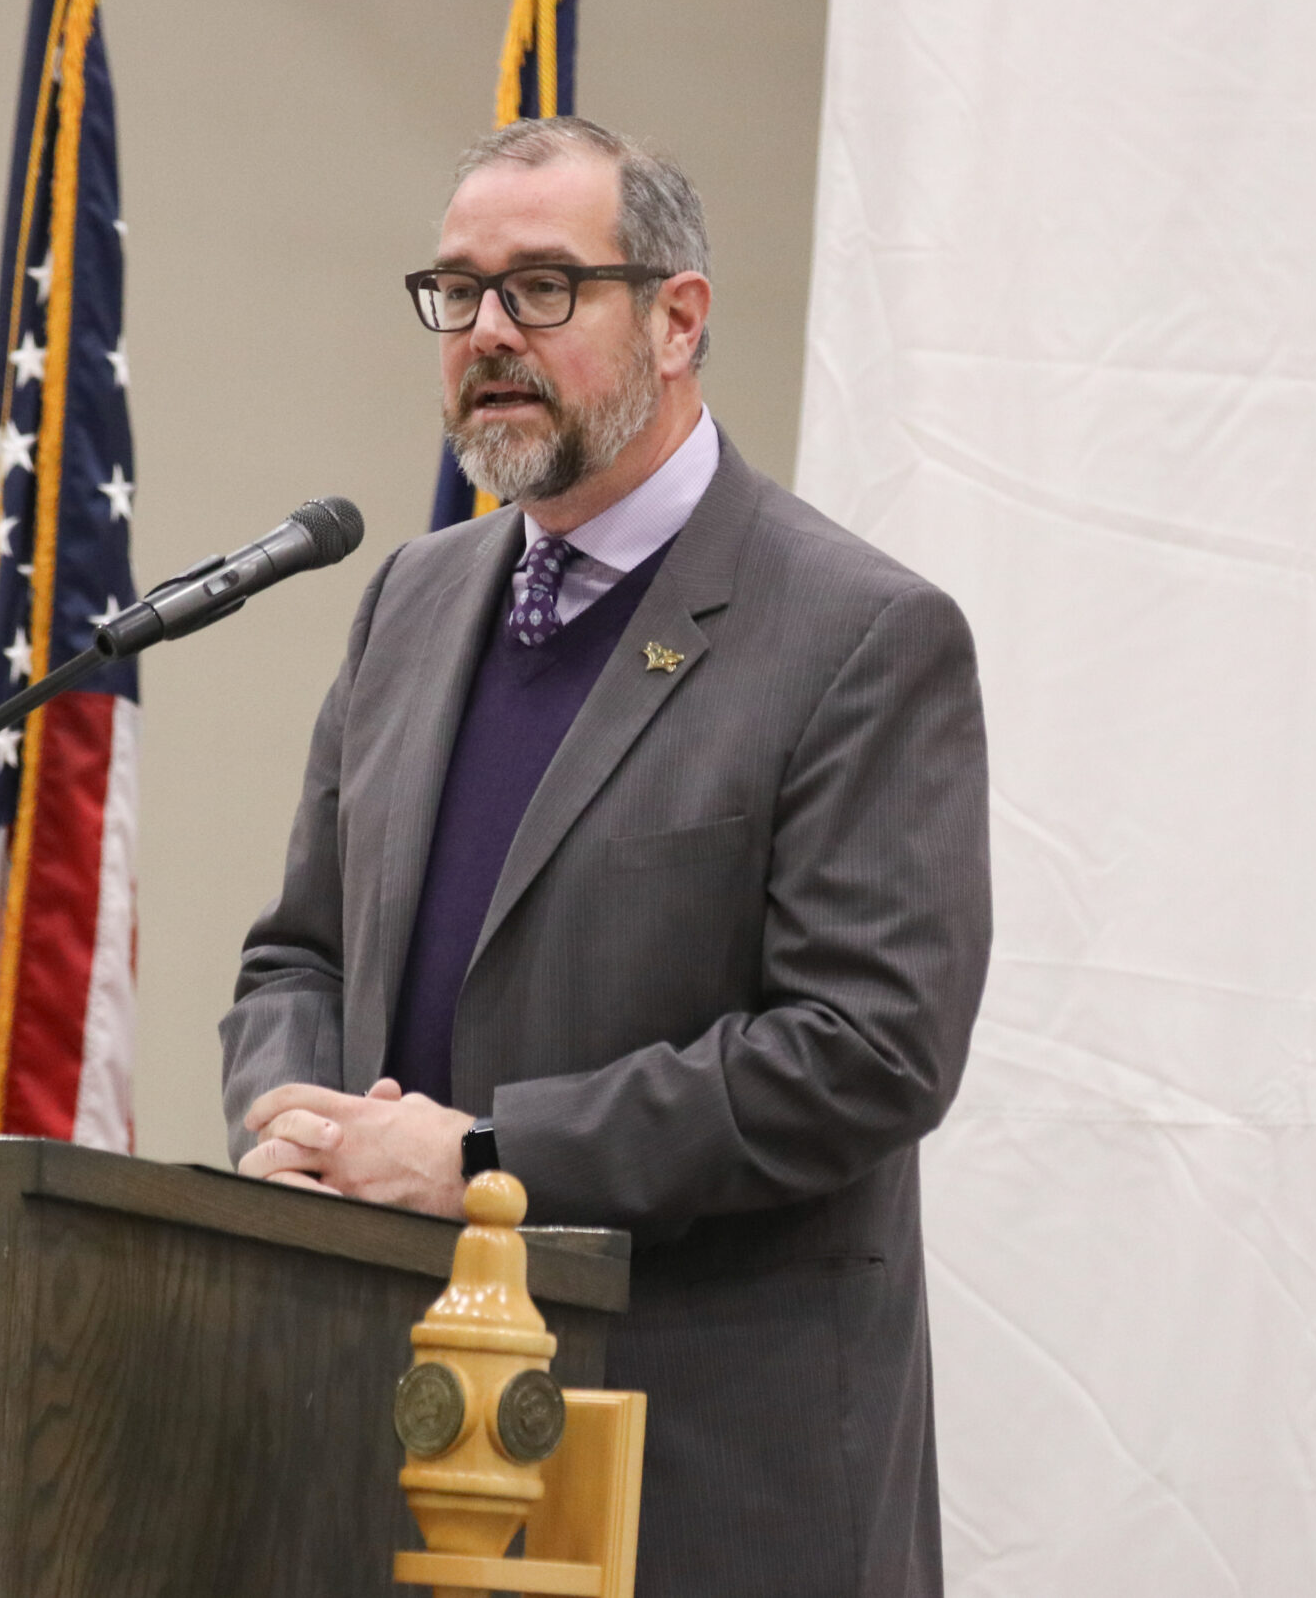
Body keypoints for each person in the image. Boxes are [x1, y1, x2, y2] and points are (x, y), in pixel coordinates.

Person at [219, 116, 989, 1597]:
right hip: (393, 1434)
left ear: (680, 317)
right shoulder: (411, 602)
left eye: (545, 287)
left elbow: (868, 1051)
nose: (490, 331)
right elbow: (298, 954)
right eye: (458, 291)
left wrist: (488, 1161)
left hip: (705, 1475)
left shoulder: (858, 636)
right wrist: (296, 1117)